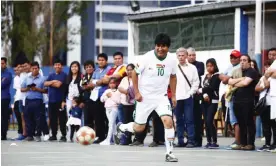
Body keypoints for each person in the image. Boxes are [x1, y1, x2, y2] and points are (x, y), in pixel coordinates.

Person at [115, 33, 178, 162]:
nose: (160, 49)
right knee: (139, 128)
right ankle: (122, 127)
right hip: (145, 98)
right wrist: (137, 92)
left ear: (168, 47)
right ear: (155, 46)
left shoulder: (172, 60)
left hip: (161, 97)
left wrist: (174, 95)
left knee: (168, 121)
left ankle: (170, 153)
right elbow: (134, 74)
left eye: (163, 46)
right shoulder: (146, 58)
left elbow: (173, 77)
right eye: (158, 46)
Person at [228, 54, 258, 150]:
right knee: (241, 123)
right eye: (241, 60)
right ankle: (243, 143)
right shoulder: (238, 71)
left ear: (249, 62)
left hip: (247, 101)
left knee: (249, 122)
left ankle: (250, 143)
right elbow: (229, 82)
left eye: (244, 60)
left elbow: (245, 83)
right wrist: (240, 79)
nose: (242, 62)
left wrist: (235, 82)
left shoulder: (252, 72)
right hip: (237, 100)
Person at [175, 47, 199, 148]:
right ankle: (180, 140)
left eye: (183, 55)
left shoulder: (192, 68)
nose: (181, 57)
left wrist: (190, 93)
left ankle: (191, 140)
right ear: (177, 56)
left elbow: (196, 82)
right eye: (179, 55)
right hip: (176, 97)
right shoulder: (174, 67)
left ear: (186, 56)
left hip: (188, 97)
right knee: (179, 120)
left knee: (189, 119)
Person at [219, 50, 241, 149]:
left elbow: (226, 79)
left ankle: (238, 141)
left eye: (235, 57)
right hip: (230, 96)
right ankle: (237, 140)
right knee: (232, 120)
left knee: (236, 119)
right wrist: (228, 78)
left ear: (239, 58)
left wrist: (227, 78)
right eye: (231, 57)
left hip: (238, 96)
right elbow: (221, 77)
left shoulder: (240, 67)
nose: (232, 59)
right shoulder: (229, 67)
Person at [198, 58, 221, 148]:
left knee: (209, 120)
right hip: (204, 101)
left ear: (214, 66)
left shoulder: (216, 76)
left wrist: (202, 90)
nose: (209, 68)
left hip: (213, 101)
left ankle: (214, 141)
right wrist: (204, 94)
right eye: (207, 66)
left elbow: (212, 87)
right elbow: (200, 86)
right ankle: (208, 140)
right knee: (206, 122)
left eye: (211, 66)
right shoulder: (203, 77)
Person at [21, 62, 47, 142]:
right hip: (28, 100)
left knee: (38, 119)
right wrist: (28, 89)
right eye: (33, 68)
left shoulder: (43, 78)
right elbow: (22, 89)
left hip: (38, 100)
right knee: (28, 118)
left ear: (39, 69)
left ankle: (38, 135)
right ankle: (30, 135)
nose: (35, 70)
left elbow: (46, 90)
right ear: (31, 69)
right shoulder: (27, 78)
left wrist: (37, 89)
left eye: (36, 68)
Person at [44, 58, 68, 142]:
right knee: (52, 118)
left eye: (59, 64)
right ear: (54, 66)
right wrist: (53, 81)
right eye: (56, 64)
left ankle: (63, 135)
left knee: (62, 119)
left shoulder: (64, 75)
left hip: (60, 101)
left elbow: (58, 85)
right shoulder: (51, 75)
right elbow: (45, 83)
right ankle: (53, 135)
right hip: (51, 101)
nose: (57, 66)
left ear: (62, 66)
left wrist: (51, 83)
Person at [90, 53, 111, 143]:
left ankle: (107, 136)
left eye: (103, 60)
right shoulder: (96, 71)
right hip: (95, 97)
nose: (101, 62)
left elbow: (106, 80)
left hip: (105, 96)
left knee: (106, 117)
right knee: (98, 118)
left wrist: (98, 82)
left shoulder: (109, 69)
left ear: (106, 61)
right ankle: (100, 136)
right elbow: (91, 82)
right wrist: (99, 81)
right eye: (99, 60)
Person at [256, 60, 276, 152]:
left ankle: (274, 143)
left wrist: (264, 81)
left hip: (271, 103)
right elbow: (256, 88)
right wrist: (264, 79)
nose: (267, 68)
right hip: (263, 104)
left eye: (269, 67)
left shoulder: (272, 78)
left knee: (273, 125)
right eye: (266, 67)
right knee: (265, 125)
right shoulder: (263, 77)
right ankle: (267, 143)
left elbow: (267, 85)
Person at [187, 47, 204, 147]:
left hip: (197, 95)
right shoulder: (182, 66)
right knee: (188, 119)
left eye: (193, 55)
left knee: (197, 119)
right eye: (190, 55)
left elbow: (199, 73)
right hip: (186, 95)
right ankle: (190, 139)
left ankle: (198, 140)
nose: (192, 57)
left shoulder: (200, 64)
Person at [118, 63, 136, 145]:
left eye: (130, 70)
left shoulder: (137, 78)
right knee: (125, 122)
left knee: (134, 123)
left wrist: (129, 92)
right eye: (127, 70)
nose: (129, 71)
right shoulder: (124, 79)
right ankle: (126, 140)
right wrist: (127, 91)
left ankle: (136, 140)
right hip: (125, 104)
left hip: (134, 105)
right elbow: (119, 88)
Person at [100, 78, 121, 145]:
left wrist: (112, 97)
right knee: (112, 124)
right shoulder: (107, 91)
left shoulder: (118, 92)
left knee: (111, 124)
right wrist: (106, 96)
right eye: (110, 83)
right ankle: (116, 138)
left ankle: (108, 140)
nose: (112, 84)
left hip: (114, 108)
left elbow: (119, 101)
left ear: (116, 84)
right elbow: (101, 99)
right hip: (107, 109)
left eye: (113, 83)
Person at [81, 60, 95, 129]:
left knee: (95, 119)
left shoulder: (95, 75)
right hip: (86, 101)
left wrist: (88, 86)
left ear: (93, 68)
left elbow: (93, 86)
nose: (88, 68)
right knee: (87, 119)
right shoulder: (84, 77)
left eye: (90, 67)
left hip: (95, 101)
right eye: (86, 67)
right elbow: (83, 87)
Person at [12, 64, 25, 140]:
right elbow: (17, 89)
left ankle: (25, 133)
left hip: (23, 99)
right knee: (18, 117)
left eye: (18, 68)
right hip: (17, 99)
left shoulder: (25, 76)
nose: (17, 70)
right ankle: (20, 133)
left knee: (23, 117)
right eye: (16, 69)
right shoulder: (15, 78)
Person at [1, 57, 12, 140]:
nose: (1, 65)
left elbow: (2, 85)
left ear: (5, 64)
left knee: (4, 117)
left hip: (4, 98)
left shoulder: (8, 74)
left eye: (2, 63)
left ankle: (3, 134)